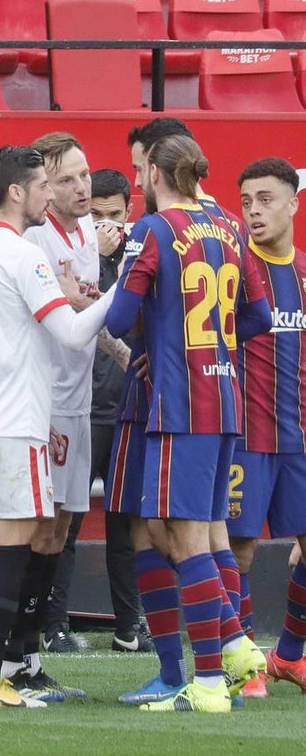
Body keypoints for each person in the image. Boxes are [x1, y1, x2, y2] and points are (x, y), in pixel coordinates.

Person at [0, 146, 112, 710]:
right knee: (11, 551)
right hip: (12, 421)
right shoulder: (24, 256)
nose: (49, 195)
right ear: (17, 192)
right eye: (41, 185)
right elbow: (73, 334)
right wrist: (121, 285)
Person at [107, 134, 270, 713]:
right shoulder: (228, 223)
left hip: (178, 401)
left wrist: (163, 342)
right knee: (189, 531)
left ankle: (218, 665)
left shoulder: (155, 230)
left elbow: (123, 315)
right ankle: (227, 652)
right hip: (225, 397)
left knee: (184, 536)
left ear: (154, 173)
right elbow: (259, 315)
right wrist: (212, 345)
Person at [3, 134, 118, 705]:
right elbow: (49, 309)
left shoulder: (85, 237)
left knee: (62, 529)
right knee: (37, 528)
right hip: (42, 400)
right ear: (44, 187)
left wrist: (118, 350)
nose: (81, 187)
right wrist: (91, 302)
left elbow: (86, 310)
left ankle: (31, 654)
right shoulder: (37, 239)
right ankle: (14, 653)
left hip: (78, 400)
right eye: (67, 178)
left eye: (85, 174)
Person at [229, 157, 306, 695]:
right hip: (246, 436)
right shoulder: (234, 270)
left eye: (266, 200)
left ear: (294, 203)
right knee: (239, 550)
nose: (255, 211)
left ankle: (290, 656)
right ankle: (245, 658)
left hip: (299, 437)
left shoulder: (304, 275)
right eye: (247, 201)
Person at [87, 168, 154, 655]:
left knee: (124, 522)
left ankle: (129, 626)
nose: (105, 224)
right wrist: (101, 259)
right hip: (78, 409)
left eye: (113, 214)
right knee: (62, 524)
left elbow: (126, 319)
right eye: (95, 215)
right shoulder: (73, 255)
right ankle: (51, 627)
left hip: (124, 408)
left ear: (129, 213)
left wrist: (117, 260)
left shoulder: (139, 256)